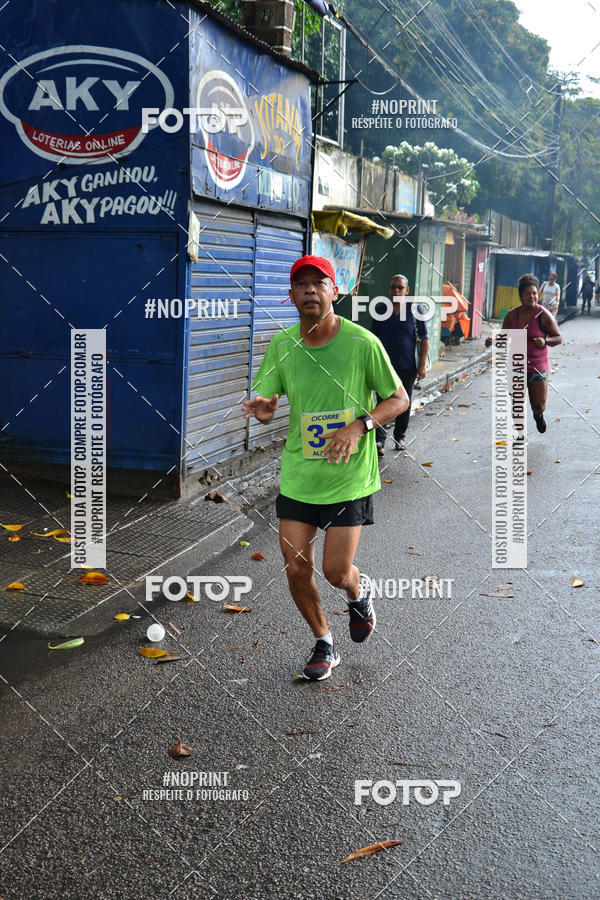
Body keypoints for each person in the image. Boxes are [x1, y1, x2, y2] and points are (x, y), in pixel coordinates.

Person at [242, 255, 408, 681]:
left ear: (336, 291)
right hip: (300, 474)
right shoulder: (283, 345)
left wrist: (360, 424)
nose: (311, 290)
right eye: (302, 284)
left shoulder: (361, 343)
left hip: (348, 477)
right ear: (292, 295)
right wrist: (263, 409)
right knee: (296, 566)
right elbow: (267, 403)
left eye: (320, 283)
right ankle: (324, 641)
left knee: (335, 572)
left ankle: (358, 590)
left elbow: (398, 398)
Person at [486, 273, 562, 433]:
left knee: (538, 405)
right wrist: (492, 341)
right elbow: (503, 338)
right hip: (517, 365)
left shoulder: (543, 315)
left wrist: (545, 341)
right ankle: (520, 436)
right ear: (521, 296)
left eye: (534, 293)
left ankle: (538, 415)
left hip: (537, 366)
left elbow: (559, 338)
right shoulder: (511, 316)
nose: (531, 296)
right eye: (527, 294)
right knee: (517, 403)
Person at [370, 274, 429, 455]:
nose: (396, 290)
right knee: (382, 401)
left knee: (405, 402)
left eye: (400, 288)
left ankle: (400, 437)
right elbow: (372, 339)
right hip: (384, 366)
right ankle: (379, 441)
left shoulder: (415, 310)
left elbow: (424, 339)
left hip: (407, 365)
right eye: (393, 287)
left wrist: (422, 366)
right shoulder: (380, 309)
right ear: (389, 289)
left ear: (407, 290)